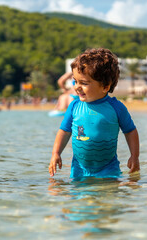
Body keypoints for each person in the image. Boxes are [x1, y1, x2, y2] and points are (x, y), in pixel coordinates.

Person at [49, 48, 140, 179]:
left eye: (84, 83)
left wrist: (134, 156)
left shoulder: (116, 108)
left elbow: (130, 131)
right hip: (79, 169)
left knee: (108, 196)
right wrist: (56, 153)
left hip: (108, 169)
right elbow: (64, 131)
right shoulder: (74, 106)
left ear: (105, 87)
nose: (77, 87)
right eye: (75, 81)